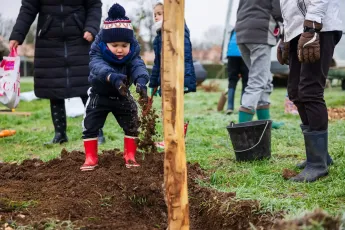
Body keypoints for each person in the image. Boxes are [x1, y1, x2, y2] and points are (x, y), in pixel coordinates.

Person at [8, 0, 104, 145]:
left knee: (86, 88)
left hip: (80, 39)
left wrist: (91, 27)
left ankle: (95, 131)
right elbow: (28, 8)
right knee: (54, 88)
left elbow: (94, 4)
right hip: (49, 41)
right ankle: (60, 134)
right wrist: (17, 35)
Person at [278, 0, 342, 182]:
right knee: (296, 93)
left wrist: (312, 26)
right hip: (297, 30)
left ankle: (317, 164)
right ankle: (320, 155)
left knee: (310, 91)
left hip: (319, 26)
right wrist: (285, 36)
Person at [80, 3, 149, 171]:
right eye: (115, 45)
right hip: (100, 94)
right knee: (90, 125)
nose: (120, 50)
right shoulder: (97, 52)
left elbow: (138, 65)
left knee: (132, 122)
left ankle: (130, 156)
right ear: (106, 44)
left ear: (130, 45)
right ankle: (91, 157)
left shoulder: (132, 53)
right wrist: (113, 77)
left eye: (124, 46)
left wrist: (141, 81)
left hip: (122, 95)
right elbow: (98, 68)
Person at [149, 2, 196, 149]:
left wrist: (183, 78)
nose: (156, 17)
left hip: (176, 76)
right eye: (155, 14)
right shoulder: (158, 34)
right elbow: (158, 62)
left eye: (160, 13)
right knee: (166, 108)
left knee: (174, 107)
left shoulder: (178, 28)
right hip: (164, 78)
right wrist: (154, 82)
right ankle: (170, 137)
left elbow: (185, 54)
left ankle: (175, 137)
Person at [235, 0, 284, 129]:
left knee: (265, 79)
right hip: (260, 35)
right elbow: (278, 11)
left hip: (241, 34)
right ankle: (242, 128)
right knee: (258, 80)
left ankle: (265, 123)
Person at [226, 30, 249, 115]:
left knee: (232, 80)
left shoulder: (233, 29)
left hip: (231, 54)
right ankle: (243, 106)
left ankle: (229, 107)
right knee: (246, 81)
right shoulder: (248, 26)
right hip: (244, 53)